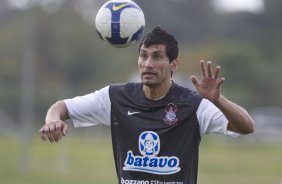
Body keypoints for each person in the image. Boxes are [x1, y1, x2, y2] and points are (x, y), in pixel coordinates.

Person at [39, 26, 254, 184]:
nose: (148, 64)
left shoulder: (194, 105)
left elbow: (246, 127)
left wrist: (218, 100)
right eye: (143, 56)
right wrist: (52, 120)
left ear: (174, 64)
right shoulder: (116, 97)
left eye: (157, 57)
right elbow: (61, 107)